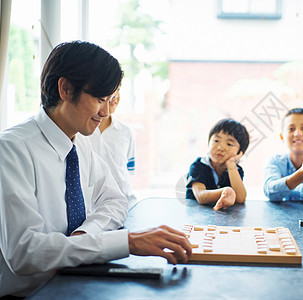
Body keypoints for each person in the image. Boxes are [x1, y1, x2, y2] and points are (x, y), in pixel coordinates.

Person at [0, 41, 191, 297]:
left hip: (80, 282)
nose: (106, 111)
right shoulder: (12, 150)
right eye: (100, 99)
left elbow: (114, 201)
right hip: (32, 294)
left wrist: (83, 237)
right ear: (66, 89)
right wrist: (128, 242)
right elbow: (25, 252)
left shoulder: (81, 142)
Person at [88, 87, 137, 208]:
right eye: (110, 90)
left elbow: (128, 169)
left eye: (118, 89)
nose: (114, 96)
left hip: (126, 205)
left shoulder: (125, 131)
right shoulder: (81, 132)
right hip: (93, 209)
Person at [186, 118, 249, 210]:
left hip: (222, 219)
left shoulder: (235, 170)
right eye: (216, 140)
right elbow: (201, 196)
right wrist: (225, 191)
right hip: (196, 216)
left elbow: (240, 199)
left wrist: (231, 164)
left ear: (239, 153)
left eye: (229, 144)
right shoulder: (199, 165)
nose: (220, 147)